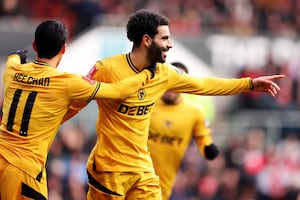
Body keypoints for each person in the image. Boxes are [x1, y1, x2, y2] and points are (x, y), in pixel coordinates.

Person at [64, 9, 284, 200]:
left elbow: (204, 84)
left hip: (142, 168)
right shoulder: (107, 68)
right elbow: (75, 103)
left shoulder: (164, 73)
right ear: (147, 40)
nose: (170, 44)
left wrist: (250, 84)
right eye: (165, 38)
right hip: (108, 168)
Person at [0, 19, 155, 200]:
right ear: (63, 49)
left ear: (34, 45)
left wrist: (17, 55)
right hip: (23, 168)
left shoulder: (12, 71)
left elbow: (13, 58)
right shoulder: (68, 82)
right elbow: (119, 91)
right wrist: (148, 73)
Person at [148, 62, 219, 200]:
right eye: (170, 79)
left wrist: (207, 147)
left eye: (178, 81)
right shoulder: (147, 104)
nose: (173, 86)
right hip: (138, 172)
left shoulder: (194, 112)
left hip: (165, 180)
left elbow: (202, 135)